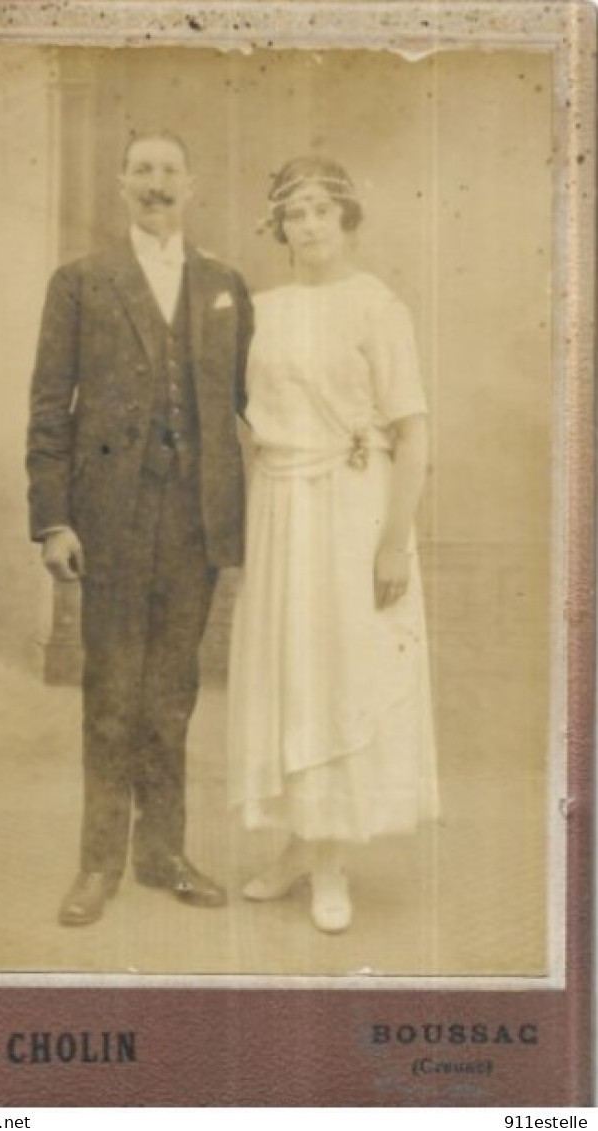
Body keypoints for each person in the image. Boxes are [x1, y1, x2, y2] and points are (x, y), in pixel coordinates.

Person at [27, 130, 253, 926]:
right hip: (110, 520)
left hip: (192, 522)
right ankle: (98, 863)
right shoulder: (80, 283)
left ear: (191, 185)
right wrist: (54, 520)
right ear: (121, 184)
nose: (157, 184)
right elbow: (50, 409)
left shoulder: (225, 284)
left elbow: (260, 399)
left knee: (173, 694)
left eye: (169, 170)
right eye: (142, 170)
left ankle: (163, 852)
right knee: (112, 694)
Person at [227, 155, 438, 934]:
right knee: (290, 670)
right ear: (277, 227)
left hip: (355, 508)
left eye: (321, 210)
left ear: (345, 219)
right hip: (281, 506)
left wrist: (392, 543)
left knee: (340, 671)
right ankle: (295, 843)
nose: (308, 225)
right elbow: (244, 412)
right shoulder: (262, 306)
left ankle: (330, 864)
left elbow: (412, 431)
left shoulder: (376, 305)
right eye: (294, 213)